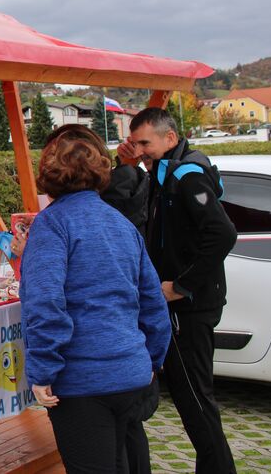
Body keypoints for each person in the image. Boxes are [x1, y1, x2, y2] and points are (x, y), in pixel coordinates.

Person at [21, 129, 171, 473]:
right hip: (129, 372)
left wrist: (42, 370)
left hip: (83, 381)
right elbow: (152, 302)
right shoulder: (120, 224)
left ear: (49, 176)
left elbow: (45, 303)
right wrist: (150, 359)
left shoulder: (52, 224)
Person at [117, 107, 238, 473]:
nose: (139, 150)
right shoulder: (164, 170)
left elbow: (223, 233)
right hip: (182, 306)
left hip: (189, 309)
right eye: (134, 143)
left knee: (195, 403)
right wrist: (128, 165)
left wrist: (182, 285)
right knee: (193, 402)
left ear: (169, 138)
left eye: (144, 143)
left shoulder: (187, 174)